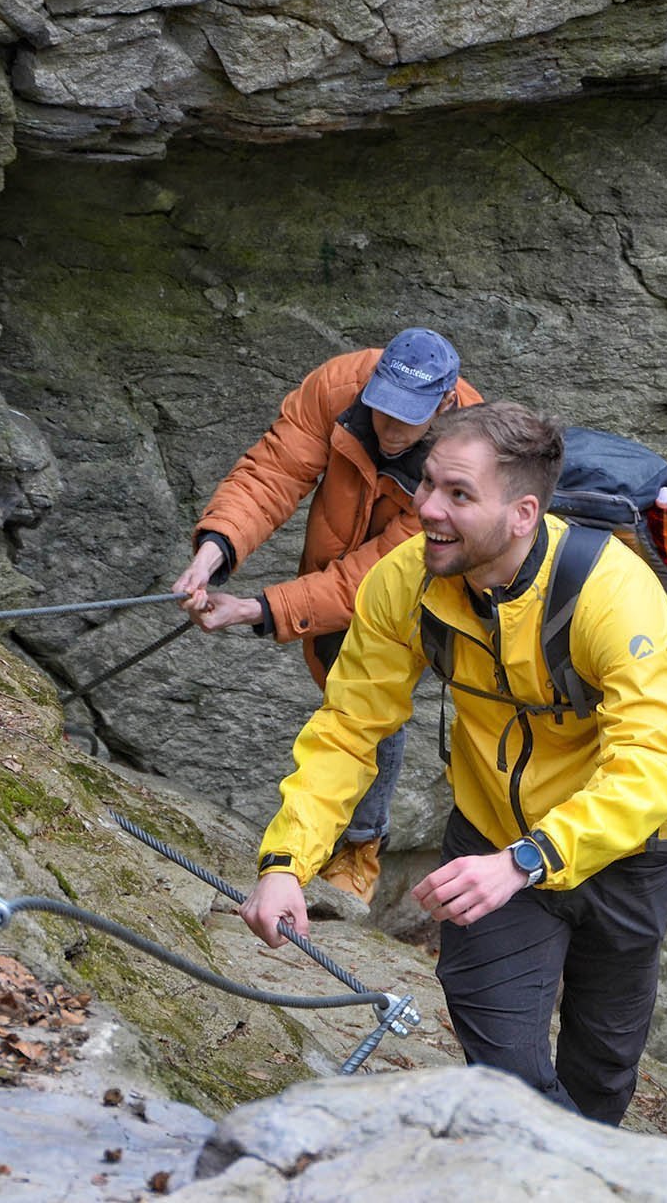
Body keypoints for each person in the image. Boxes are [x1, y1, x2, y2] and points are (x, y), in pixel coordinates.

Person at [240, 402, 667, 1125]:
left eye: (458, 494)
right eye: (427, 485)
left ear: (522, 513)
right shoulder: (407, 580)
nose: (425, 509)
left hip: (630, 851)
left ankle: (584, 1162)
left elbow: (652, 767)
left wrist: (526, 859)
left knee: (604, 1065)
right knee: (504, 1066)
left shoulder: (613, 592)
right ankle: (552, 1166)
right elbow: (349, 726)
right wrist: (284, 863)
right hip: (490, 834)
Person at [172, 329, 482, 904]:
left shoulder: (469, 465)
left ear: (444, 406)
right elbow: (273, 473)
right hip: (339, 564)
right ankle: (319, 846)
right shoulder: (340, 387)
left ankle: (357, 852)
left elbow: (380, 574)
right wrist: (212, 554)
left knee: (372, 700)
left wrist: (259, 609)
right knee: (342, 689)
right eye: (382, 410)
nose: (389, 430)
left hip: (419, 587)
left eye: (407, 420)